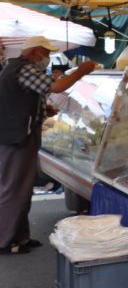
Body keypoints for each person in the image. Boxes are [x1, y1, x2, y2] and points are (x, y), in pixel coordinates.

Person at [0, 36, 97, 254]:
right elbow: (57, 86)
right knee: (14, 189)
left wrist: (43, 111)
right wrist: (80, 71)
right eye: (46, 53)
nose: (48, 58)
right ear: (34, 52)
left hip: (17, 135)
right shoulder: (24, 70)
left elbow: (25, 97)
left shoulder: (15, 68)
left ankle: (19, 236)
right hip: (17, 138)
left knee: (22, 189)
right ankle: (5, 240)